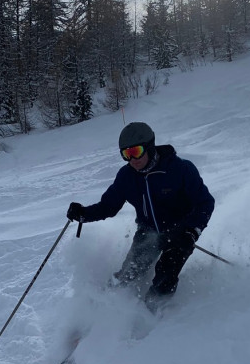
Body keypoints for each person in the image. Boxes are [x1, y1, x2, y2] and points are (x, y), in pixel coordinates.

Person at [66, 121, 215, 308]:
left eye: (136, 151)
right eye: (126, 154)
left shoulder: (180, 169)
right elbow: (108, 206)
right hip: (148, 231)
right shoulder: (126, 177)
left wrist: (192, 231)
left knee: (165, 274)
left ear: (150, 147)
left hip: (180, 233)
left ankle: (151, 315)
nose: (132, 159)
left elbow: (205, 202)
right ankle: (102, 306)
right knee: (129, 273)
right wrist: (83, 214)